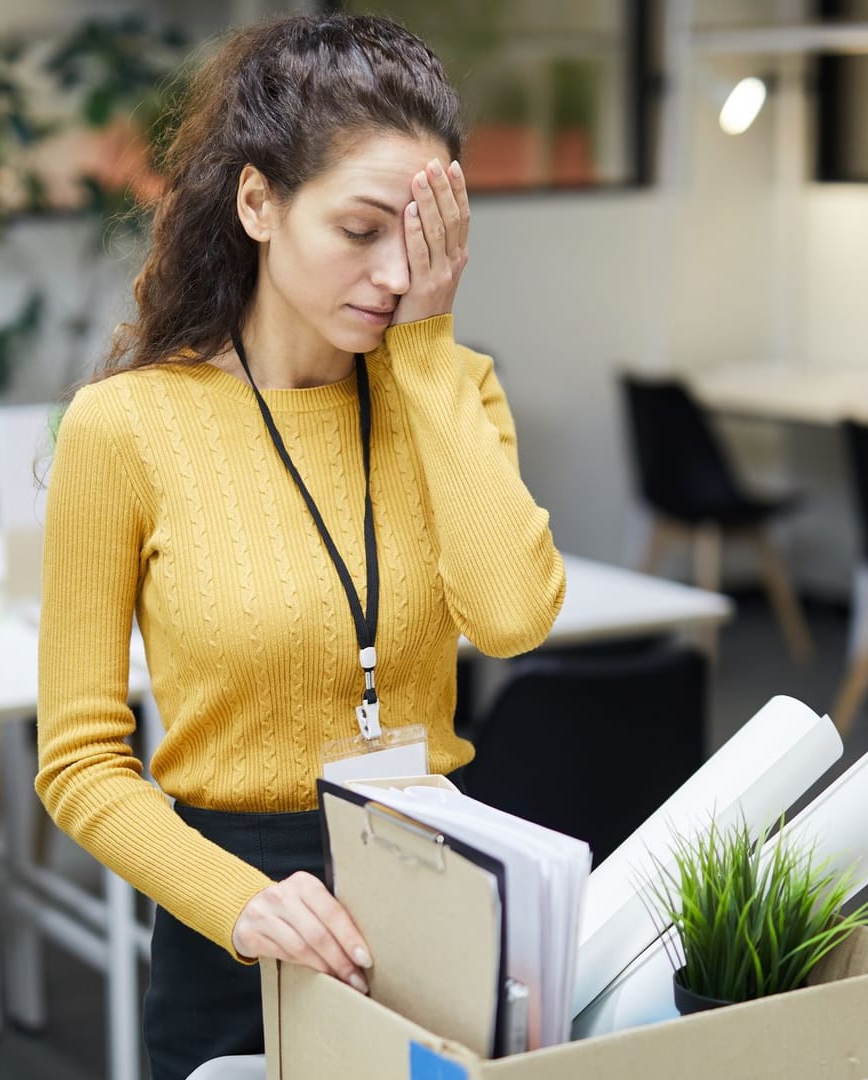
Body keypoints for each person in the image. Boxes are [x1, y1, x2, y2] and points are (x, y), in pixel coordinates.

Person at [34, 14, 566, 1078]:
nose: (390, 274)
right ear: (258, 202)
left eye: (421, 241)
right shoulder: (126, 427)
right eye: (363, 230)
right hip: (235, 909)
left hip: (437, 887)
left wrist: (424, 344)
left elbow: (512, 620)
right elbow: (80, 764)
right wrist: (242, 905)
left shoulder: (448, 389)